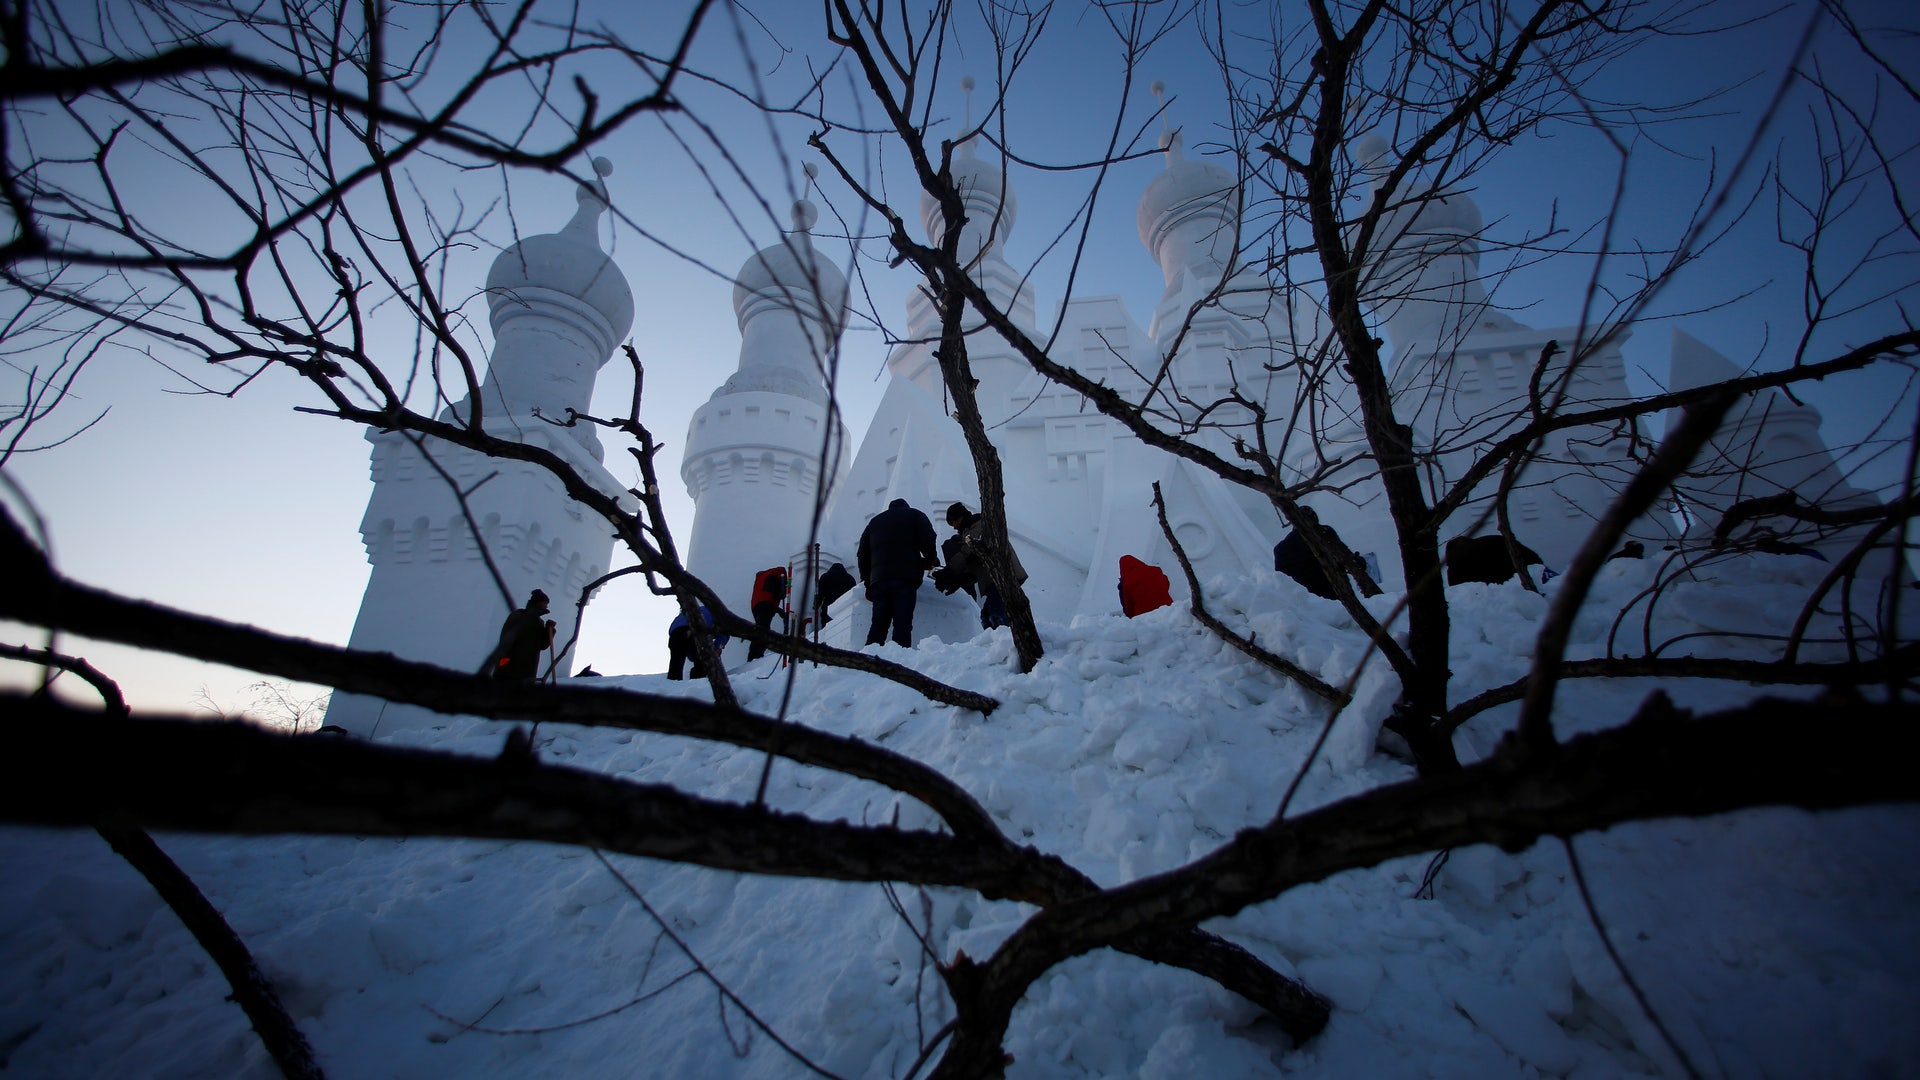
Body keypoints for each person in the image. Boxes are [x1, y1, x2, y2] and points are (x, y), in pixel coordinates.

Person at [857, 498, 939, 646]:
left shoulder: (873, 523)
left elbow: (862, 554)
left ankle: (869, 661)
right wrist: (930, 559)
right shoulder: (915, 515)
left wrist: (868, 583)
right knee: (903, 623)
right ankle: (900, 660)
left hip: (879, 581)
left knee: (878, 624)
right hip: (905, 578)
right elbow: (928, 538)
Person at [939, 502, 1027, 629]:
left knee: (996, 614)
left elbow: (966, 552)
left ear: (959, 518)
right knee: (986, 616)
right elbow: (974, 566)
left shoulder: (978, 526)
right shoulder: (972, 529)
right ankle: (994, 644)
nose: (953, 527)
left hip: (1002, 576)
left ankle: (1006, 642)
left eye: (953, 523)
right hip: (995, 579)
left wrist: (949, 570)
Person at [483, 589, 556, 681]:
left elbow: (542, 645)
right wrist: (504, 661)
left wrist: (549, 630)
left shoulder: (539, 622)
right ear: (537, 603)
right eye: (545, 603)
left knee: (520, 693)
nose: (546, 606)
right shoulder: (518, 615)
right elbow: (506, 638)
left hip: (528, 669)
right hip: (510, 665)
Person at [666, 605, 729, 680]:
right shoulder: (720, 615)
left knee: (676, 663)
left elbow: (689, 649)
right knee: (702, 663)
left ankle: (673, 685)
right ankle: (697, 684)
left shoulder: (695, 609)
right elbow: (724, 635)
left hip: (675, 632)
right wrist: (717, 648)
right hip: (696, 629)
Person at [746, 566, 789, 660]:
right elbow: (782, 572)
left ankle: (755, 654)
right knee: (763, 630)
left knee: (761, 627)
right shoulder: (777, 572)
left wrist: (778, 610)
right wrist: (783, 587)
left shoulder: (763, 579)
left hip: (756, 606)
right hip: (765, 605)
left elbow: (766, 597)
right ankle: (755, 655)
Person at [815, 562, 855, 626]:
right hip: (844, 607)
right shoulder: (850, 579)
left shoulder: (825, 577)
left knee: (827, 627)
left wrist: (816, 605)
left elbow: (820, 593)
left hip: (828, 607)